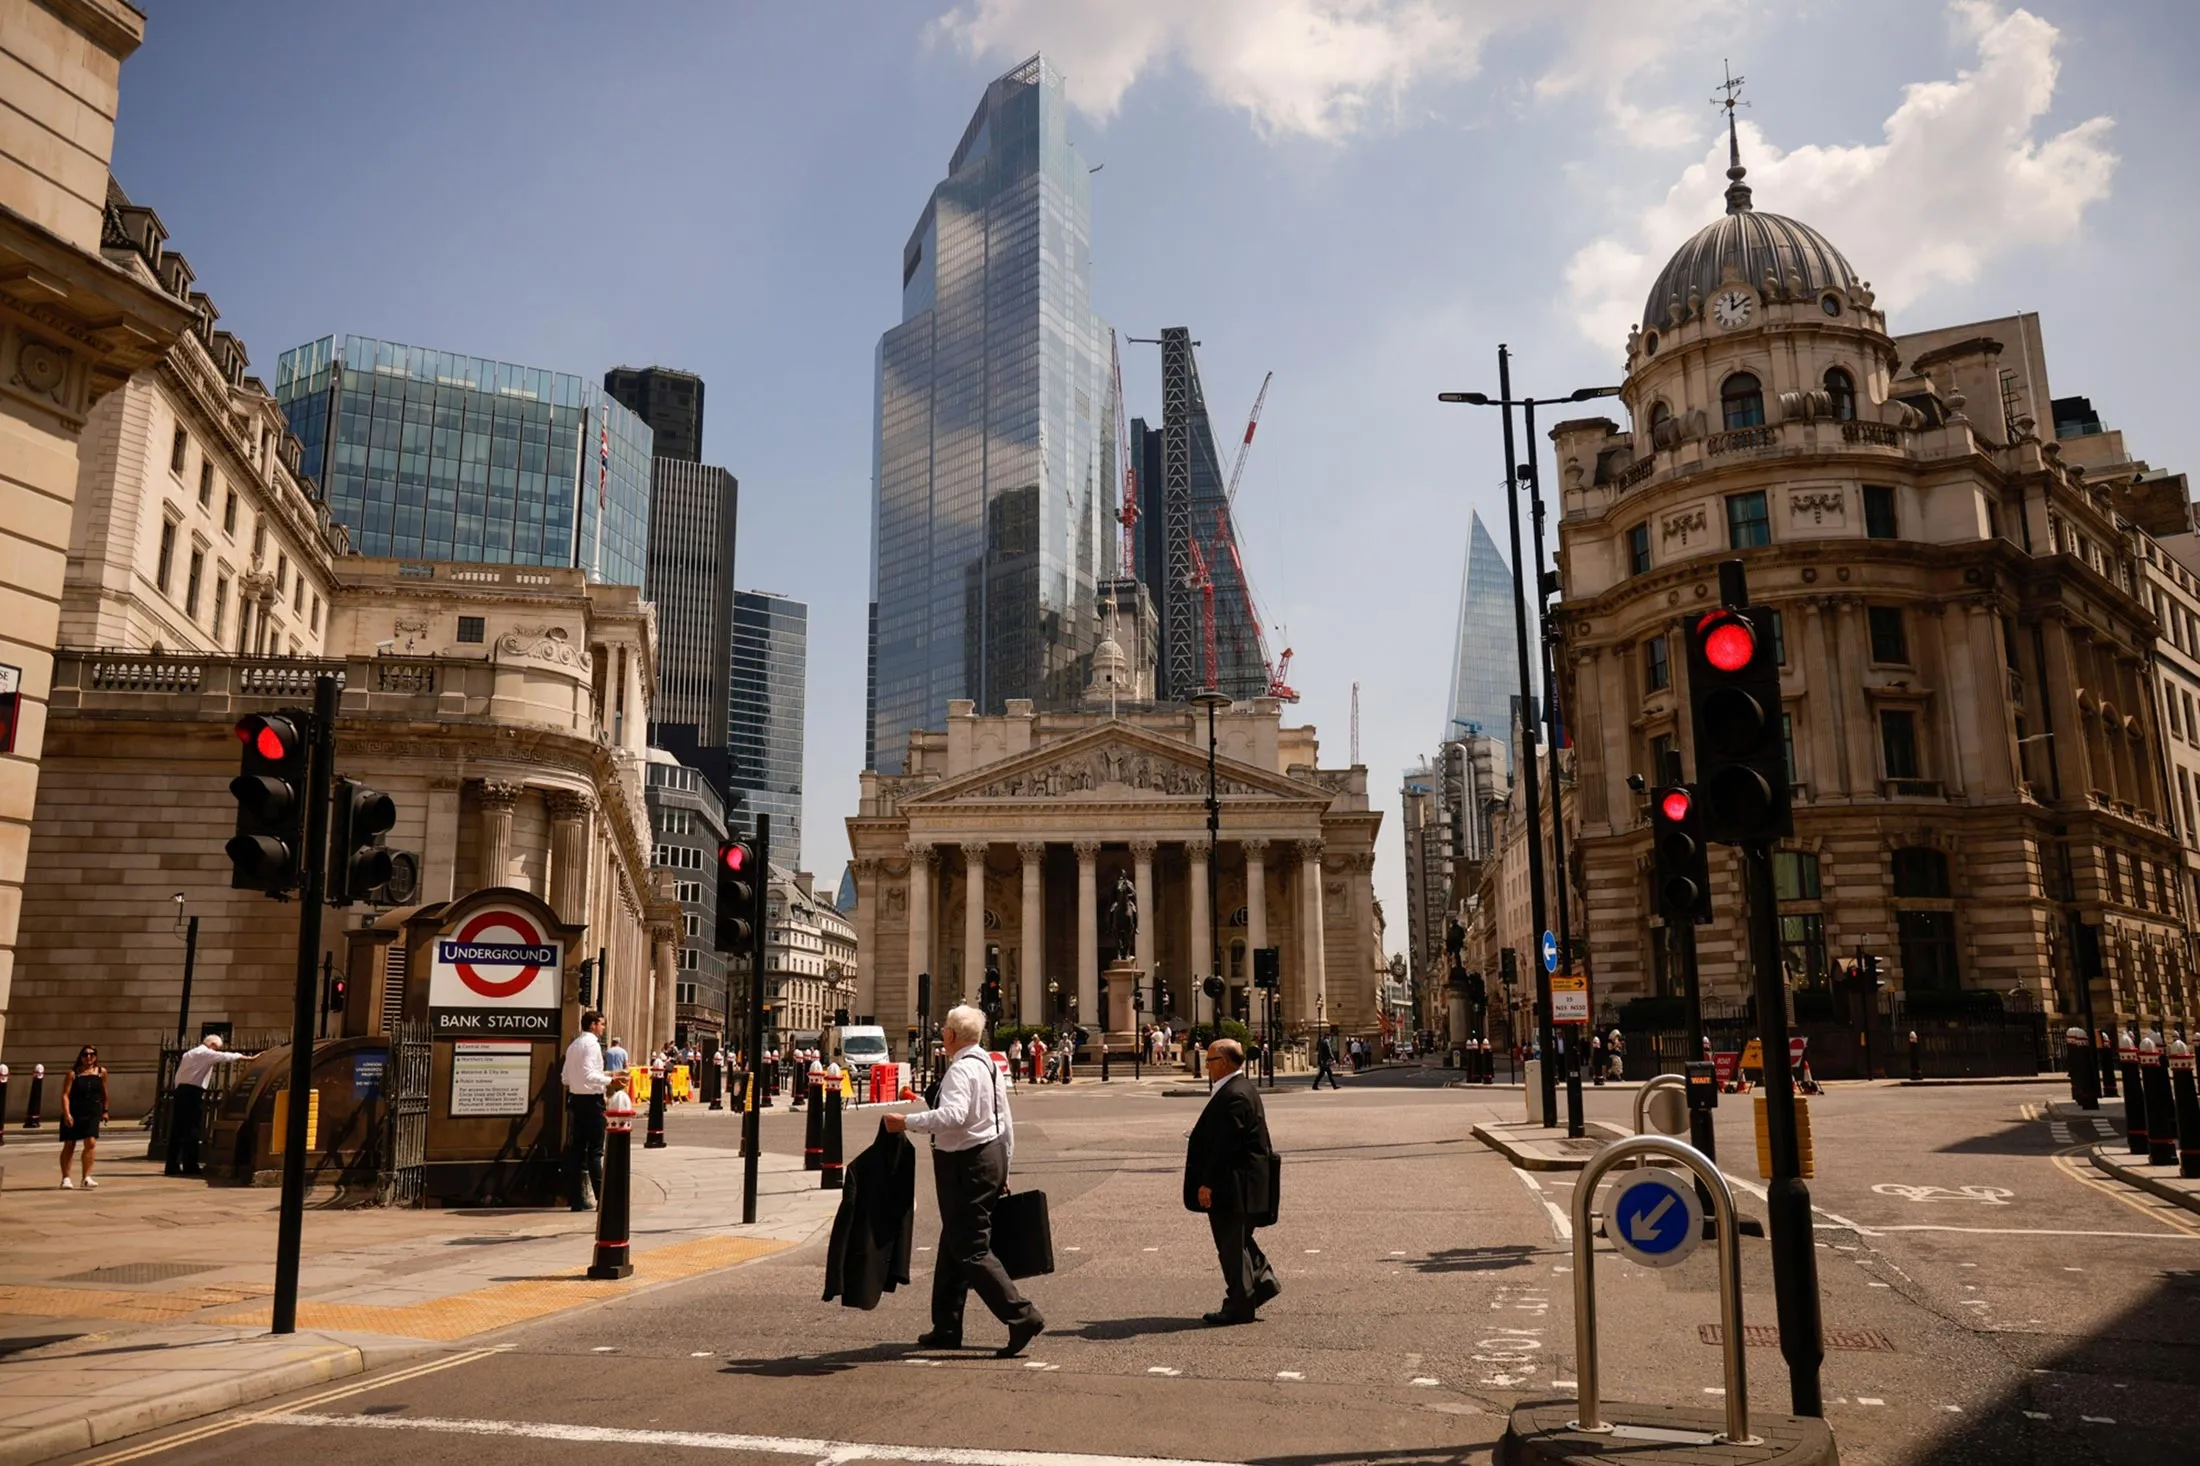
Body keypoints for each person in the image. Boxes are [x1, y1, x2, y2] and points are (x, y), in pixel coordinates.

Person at [883, 1004, 1044, 1358]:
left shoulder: (959, 1071)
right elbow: (1004, 1118)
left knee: (971, 1249)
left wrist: (906, 1122)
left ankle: (1022, 1316)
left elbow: (954, 1116)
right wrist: (1004, 1165)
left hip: (965, 1165)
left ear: (953, 1035)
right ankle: (947, 1326)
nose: (942, 1033)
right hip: (989, 1156)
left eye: (944, 1029)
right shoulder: (988, 1065)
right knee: (953, 1243)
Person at [1184, 1039, 1279, 1325]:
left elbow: (1226, 1146)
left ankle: (1239, 1304)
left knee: (1230, 1246)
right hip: (1242, 1183)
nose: (1207, 1066)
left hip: (1234, 1184)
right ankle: (1262, 1282)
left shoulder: (1235, 1094)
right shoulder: (1239, 1088)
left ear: (1224, 1063)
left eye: (1210, 1060)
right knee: (1238, 1239)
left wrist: (1207, 1183)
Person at [166, 1033, 251, 1177]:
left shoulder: (189, 1053)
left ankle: (172, 1165)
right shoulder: (205, 1053)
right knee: (193, 1129)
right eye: (217, 1049)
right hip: (192, 1093)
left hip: (181, 1090)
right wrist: (248, 1058)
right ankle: (190, 1165)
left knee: (178, 1130)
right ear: (212, 1045)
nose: (217, 1052)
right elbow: (226, 1057)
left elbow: (179, 1074)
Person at [563, 1010, 615, 1210]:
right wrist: (611, 1080)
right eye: (602, 1024)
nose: (603, 1027)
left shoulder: (574, 1045)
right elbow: (588, 1074)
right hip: (592, 1102)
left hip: (575, 1100)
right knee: (595, 1152)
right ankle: (603, 1198)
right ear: (593, 1024)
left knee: (577, 1151)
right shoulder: (592, 1045)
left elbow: (565, 1077)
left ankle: (576, 1200)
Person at [57, 1045, 108, 1189]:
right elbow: (65, 1095)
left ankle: (87, 1177)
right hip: (75, 1111)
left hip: (92, 1111)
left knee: (91, 1142)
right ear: (80, 1057)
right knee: (70, 1144)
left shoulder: (101, 1072)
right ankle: (66, 1178)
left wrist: (105, 1110)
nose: (89, 1057)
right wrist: (67, 1113)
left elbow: (104, 1092)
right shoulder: (73, 1074)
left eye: (92, 1054)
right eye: (85, 1054)